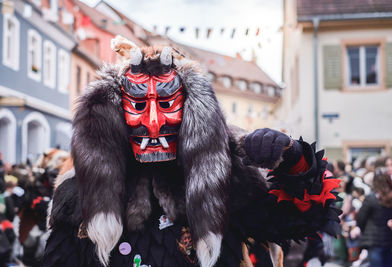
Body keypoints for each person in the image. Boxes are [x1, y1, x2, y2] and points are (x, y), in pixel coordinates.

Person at [43, 36, 341, 267]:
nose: (154, 122)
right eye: (137, 105)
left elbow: (296, 221)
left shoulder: (226, 178)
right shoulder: (84, 189)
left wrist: (295, 162)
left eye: (166, 103)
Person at [356, 167, 392, 267]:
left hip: (374, 241)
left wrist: (365, 231)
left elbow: (360, 219)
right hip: (389, 240)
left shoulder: (371, 198)